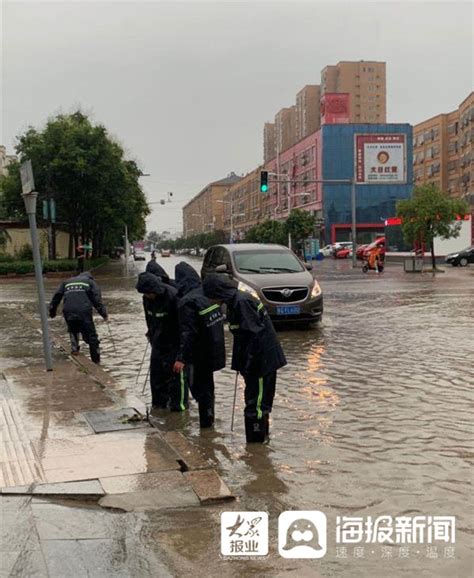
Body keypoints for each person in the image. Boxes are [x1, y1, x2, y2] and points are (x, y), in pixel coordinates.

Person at [203, 275, 286, 443]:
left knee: (256, 402)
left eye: (211, 297)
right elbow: (242, 337)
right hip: (255, 360)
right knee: (256, 399)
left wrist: (248, 365)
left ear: (217, 293)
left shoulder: (242, 303)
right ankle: (262, 441)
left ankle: (256, 447)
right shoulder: (235, 303)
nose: (210, 301)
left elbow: (253, 337)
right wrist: (240, 364)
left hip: (262, 361)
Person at [172, 262, 225, 428]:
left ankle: (205, 426)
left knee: (199, 389)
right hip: (215, 350)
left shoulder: (187, 302)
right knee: (208, 389)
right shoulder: (207, 295)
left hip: (199, 354)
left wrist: (181, 358)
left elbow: (188, 333)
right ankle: (209, 423)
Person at [136, 271, 188, 412]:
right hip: (158, 342)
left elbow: (185, 329)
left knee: (175, 378)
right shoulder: (146, 298)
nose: (147, 297)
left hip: (174, 343)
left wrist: (181, 357)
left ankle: (179, 413)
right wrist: (151, 333)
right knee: (157, 376)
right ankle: (158, 407)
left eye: (148, 293)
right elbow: (150, 318)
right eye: (145, 294)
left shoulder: (173, 297)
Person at [49, 272, 108, 363]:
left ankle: (74, 349)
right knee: (92, 336)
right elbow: (97, 300)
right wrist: (104, 314)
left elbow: (56, 297)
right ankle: (96, 361)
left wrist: (52, 312)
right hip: (84, 310)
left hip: (68, 309)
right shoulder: (90, 282)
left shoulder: (66, 282)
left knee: (72, 328)